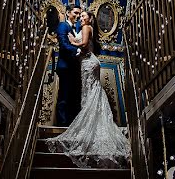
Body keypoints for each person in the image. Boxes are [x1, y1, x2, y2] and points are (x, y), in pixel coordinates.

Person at [47, 9, 131, 168]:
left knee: (89, 93)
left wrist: (74, 43)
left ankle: (83, 124)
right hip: (80, 64)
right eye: (78, 13)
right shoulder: (66, 26)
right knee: (81, 94)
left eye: (83, 14)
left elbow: (84, 45)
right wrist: (74, 44)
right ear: (68, 12)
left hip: (88, 62)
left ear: (89, 18)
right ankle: (74, 123)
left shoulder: (85, 28)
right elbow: (66, 44)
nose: (80, 16)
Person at [55, 5, 81, 126]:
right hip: (65, 66)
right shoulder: (63, 26)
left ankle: (69, 122)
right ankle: (62, 123)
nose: (78, 16)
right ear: (67, 13)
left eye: (79, 14)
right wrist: (78, 50)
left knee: (71, 95)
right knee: (64, 95)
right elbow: (63, 44)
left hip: (71, 67)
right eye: (75, 13)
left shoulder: (72, 28)